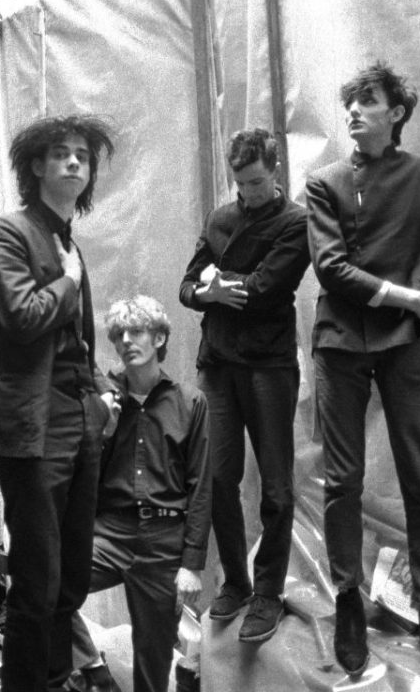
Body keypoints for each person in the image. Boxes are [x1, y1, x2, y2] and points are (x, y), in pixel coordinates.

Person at [305, 61, 420, 678]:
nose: (353, 111)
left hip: (404, 343)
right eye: (349, 102)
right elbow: (332, 269)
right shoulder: (325, 182)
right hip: (340, 341)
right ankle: (347, 601)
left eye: (367, 101)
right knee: (342, 482)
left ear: (395, 113)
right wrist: (410, 299)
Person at [0, 114, 119, 691]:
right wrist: (68, 281)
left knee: (71, 578)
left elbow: (76, 344)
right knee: (37, 579)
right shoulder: (7, 233)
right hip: (33, 427)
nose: (75, 162)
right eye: (61, 153)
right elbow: (22, 317)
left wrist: (104, 390)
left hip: (78, 421)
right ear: (36, 166)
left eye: (83, 155)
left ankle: (56, 680)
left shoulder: (67, 242)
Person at [178, 128, 310, 643]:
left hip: (269, 366)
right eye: (240, 183)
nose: (248, 192)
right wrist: (212, 290)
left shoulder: (295, 221)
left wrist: (219, 287)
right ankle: (235, 580)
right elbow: (188, 287)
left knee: (276, 485)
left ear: (274, 172)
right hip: (218, 363)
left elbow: (266, 289)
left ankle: (269, 592)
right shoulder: (220, 218)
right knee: (217, 479)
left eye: (256, 182)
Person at [67, 296, 212, 692]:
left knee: (153, 663)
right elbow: (79, 471)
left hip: (163, 542)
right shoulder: (104, 397)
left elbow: (201, 485)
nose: (127, 340)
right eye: (119, 334)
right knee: (42, 586)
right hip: (109, 532)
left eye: (138, 331)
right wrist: (102, 428)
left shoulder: (189, 401)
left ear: (160, 337)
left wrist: (192, 564)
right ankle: (96, 673)